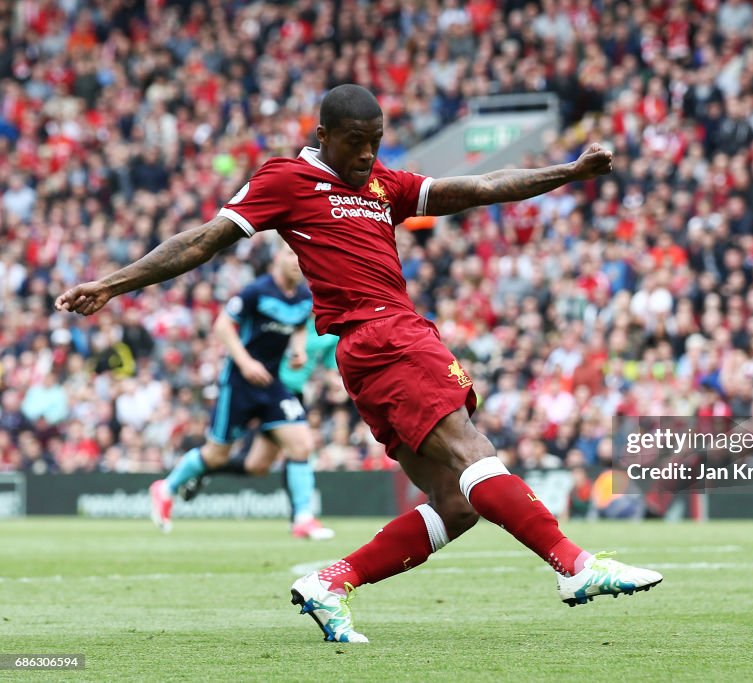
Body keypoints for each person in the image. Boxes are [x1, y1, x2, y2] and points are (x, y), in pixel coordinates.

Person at [57, 84, 662, 644]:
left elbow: (480, 187)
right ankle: (574, 565)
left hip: (381, 344)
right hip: (383, 337)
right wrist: (114, 283)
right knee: (473, 454)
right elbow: (203, 239)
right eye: (356, 142)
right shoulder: (287, 179)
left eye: (375, 140)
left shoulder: (383, 187)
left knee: (456, 500)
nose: (368, 153)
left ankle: (331, 583)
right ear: (324, 135)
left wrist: (570, 172)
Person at [148, 241, 335, 540]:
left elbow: (299, 327)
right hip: (239, 383)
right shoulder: (256, 291)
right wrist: (246, 362)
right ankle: (166, 488)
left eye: (302, 256)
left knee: (300, 445)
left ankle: (302, 518)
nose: (297, 261)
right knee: (217, 454)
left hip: (273, 385)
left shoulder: (303, 297)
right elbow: (223, 326)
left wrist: (298, 351)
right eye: (291, 253)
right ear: (277, 257)